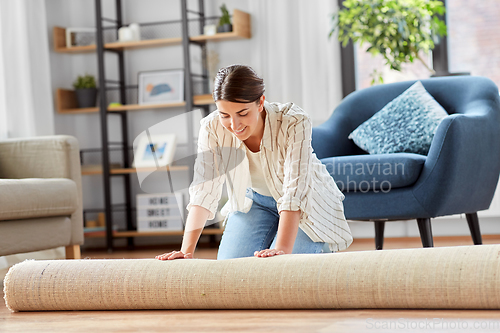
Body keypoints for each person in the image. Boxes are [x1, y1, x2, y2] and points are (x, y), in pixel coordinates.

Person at [156, 64, 352, 261]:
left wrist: (281, 249)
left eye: (242, 113)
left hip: (306, 202)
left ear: (260, 103)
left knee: (282, 271)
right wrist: (186, 251)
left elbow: (295, 190)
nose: (234, 126)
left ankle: (321, 248)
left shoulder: (294, 120)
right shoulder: (212, 128)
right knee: (230, 271)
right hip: (255, 201)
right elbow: (204, 190)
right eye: (225, 115)